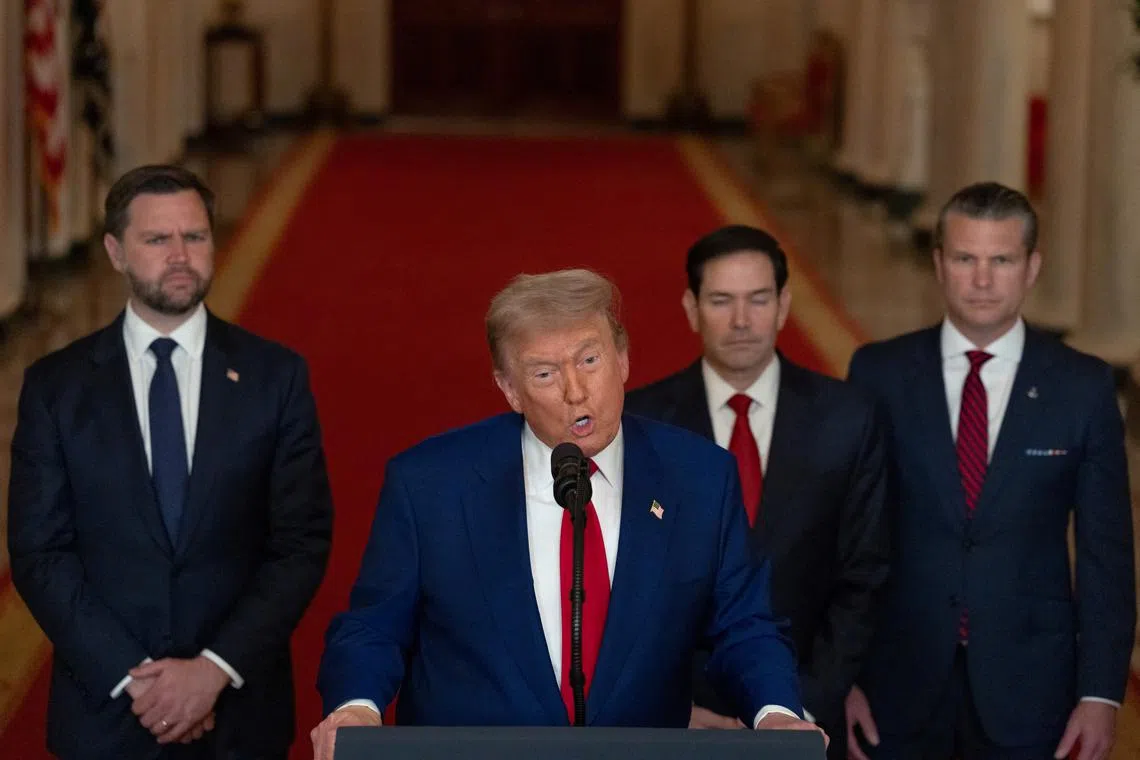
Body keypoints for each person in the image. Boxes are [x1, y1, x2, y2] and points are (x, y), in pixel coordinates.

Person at [311, 269, 824, 759]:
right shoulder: (430, 484)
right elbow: (374, 627)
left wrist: (775, 713)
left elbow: (744, 625)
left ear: (622, 360)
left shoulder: (700, 478)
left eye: (590, 361)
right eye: (544, 373)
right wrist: (356, 707)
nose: (576, 391)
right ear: (510, 389)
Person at [7, 165, 335, 760]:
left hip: (239, 714)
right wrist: (137, 682)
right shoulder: (56, 388)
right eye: (157, 240)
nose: (180, 255)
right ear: (115, 251)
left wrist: (212, 671)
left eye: (196, 236)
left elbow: (301, 543)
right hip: (105, 715)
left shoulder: (275, 377)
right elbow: (40, 553)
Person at [845, 182, 1135, 760]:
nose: (982, 280)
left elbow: (1107, 555)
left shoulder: (1083, 388)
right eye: (965, 259)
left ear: (1032, 268)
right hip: (895, 686)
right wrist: (841, 679)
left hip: (1033, 691)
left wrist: (1101, 694)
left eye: (1001, 260)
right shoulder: (878, 373)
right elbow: (849, 538)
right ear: (938, 264)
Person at [625, 225, 889, 759]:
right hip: (681, 720)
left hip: (806, 715)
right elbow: (627, 585)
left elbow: (866, 574)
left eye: (758, 300)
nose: (742, 321)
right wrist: (670, 710)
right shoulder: (642, 423)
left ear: (785, 304)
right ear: (691, 308)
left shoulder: (848, 419)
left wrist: (798, 710)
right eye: (721, 301)